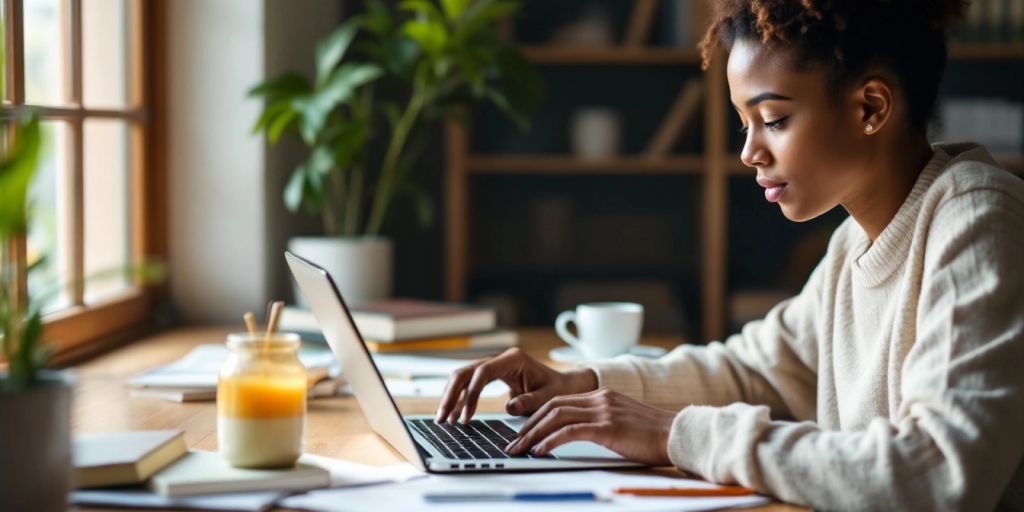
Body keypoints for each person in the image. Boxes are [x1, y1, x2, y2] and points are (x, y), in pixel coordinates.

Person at [434, 0, 1024, 509]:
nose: (749, 153)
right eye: (745, 123)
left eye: (773, 119)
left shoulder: (976, 222)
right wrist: (580, 384)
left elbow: (942, 475)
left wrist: (675, 434)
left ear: (871, 108)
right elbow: (756, 370)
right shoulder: (853, 244)